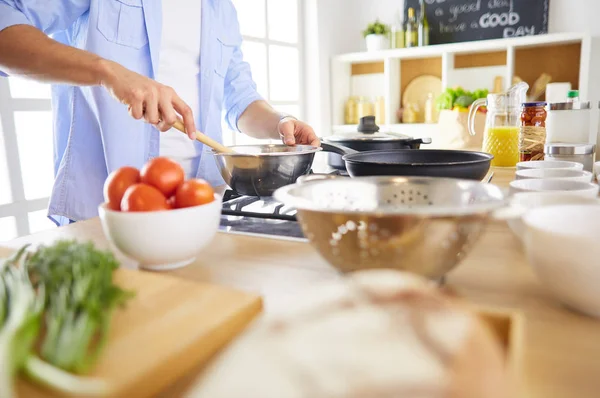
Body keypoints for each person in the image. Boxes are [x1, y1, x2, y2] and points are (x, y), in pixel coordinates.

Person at [0, 0, 319, 226]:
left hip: (201, 211)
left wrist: (280, 123)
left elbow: (240, 98)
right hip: (105, 214)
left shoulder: (222, 9)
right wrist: (108, 72)